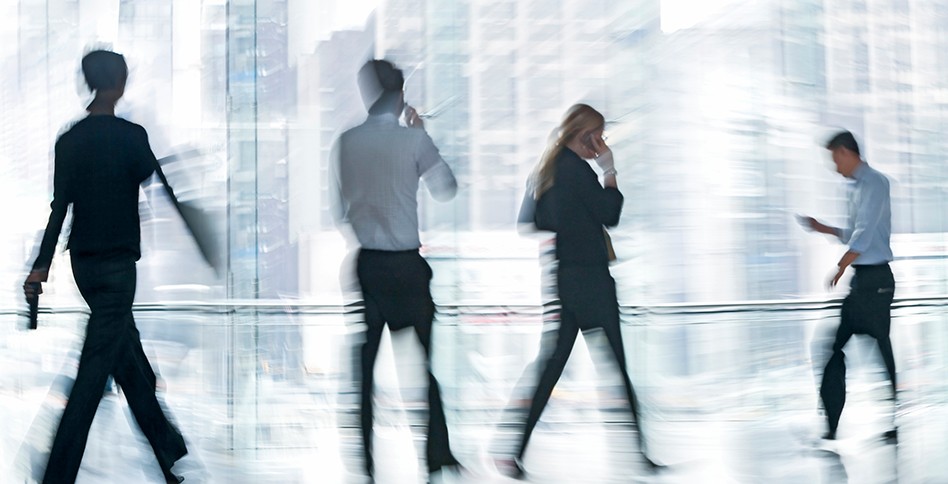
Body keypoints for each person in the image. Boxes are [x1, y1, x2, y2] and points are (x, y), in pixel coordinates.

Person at [23, 50, 188, 484]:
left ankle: (167, 449)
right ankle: (57, 475)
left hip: (84, 265)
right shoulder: (133, 136)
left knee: (125, 356)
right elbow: (162, 191)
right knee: (93, 373)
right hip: (118, 264)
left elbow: (61, 209)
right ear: (120, 84)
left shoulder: (69, 140)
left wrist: (42, 265)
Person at [508, 104, 657, 478]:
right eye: (599, 135)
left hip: (565, 279)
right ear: (586, 135)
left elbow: (533, 220)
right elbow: (611, 213)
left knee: (552, 367)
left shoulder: (551, 168)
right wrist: (609, 169)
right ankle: (642, 455)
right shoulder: (577, 172)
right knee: (618, 367)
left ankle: (513, 451)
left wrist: (571, 221)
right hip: (591, 281)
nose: (603, 142)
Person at [330, 59, 462, 482]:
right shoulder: (412, 141)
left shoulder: (346, 142)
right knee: (425, 364)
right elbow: (446, 189)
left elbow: (340, 211)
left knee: (366, 368)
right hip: (407, 265)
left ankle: (366, 465)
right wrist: (421, 133)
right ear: (400, 94)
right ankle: (435, 457)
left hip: (368, 264)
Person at [798, 130, 897, 443]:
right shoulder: (855, 189)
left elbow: (865, 236)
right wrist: (821, 228)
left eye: (833, 158)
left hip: (876, 281)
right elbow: (854, 233)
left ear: (845, 152)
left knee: (853, 347)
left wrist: (840, 266)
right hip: (865, 281)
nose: (833, 166)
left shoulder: (875, 183)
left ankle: (839, 426)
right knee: (868, 349)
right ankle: (834, 424)